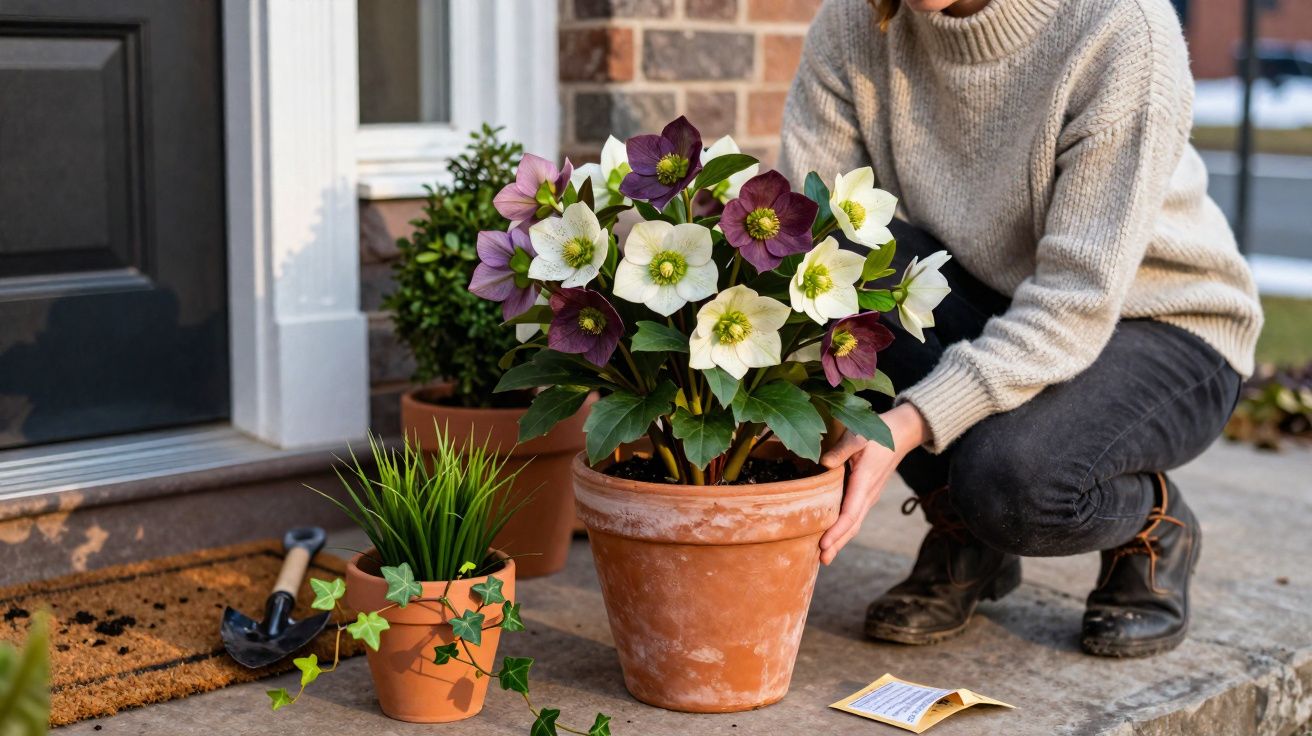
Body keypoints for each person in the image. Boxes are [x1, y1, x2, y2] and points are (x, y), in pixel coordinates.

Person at [779, 0, 1262, 657]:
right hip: (996, 301)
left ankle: (1153, 522)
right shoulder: (854, 24)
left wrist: (908, 421)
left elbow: (1076, 297)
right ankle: (967, 534)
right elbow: (810, 234)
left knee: (1011, 482)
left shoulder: (1119, 27)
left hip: (1161, 321)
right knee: (835, 263)